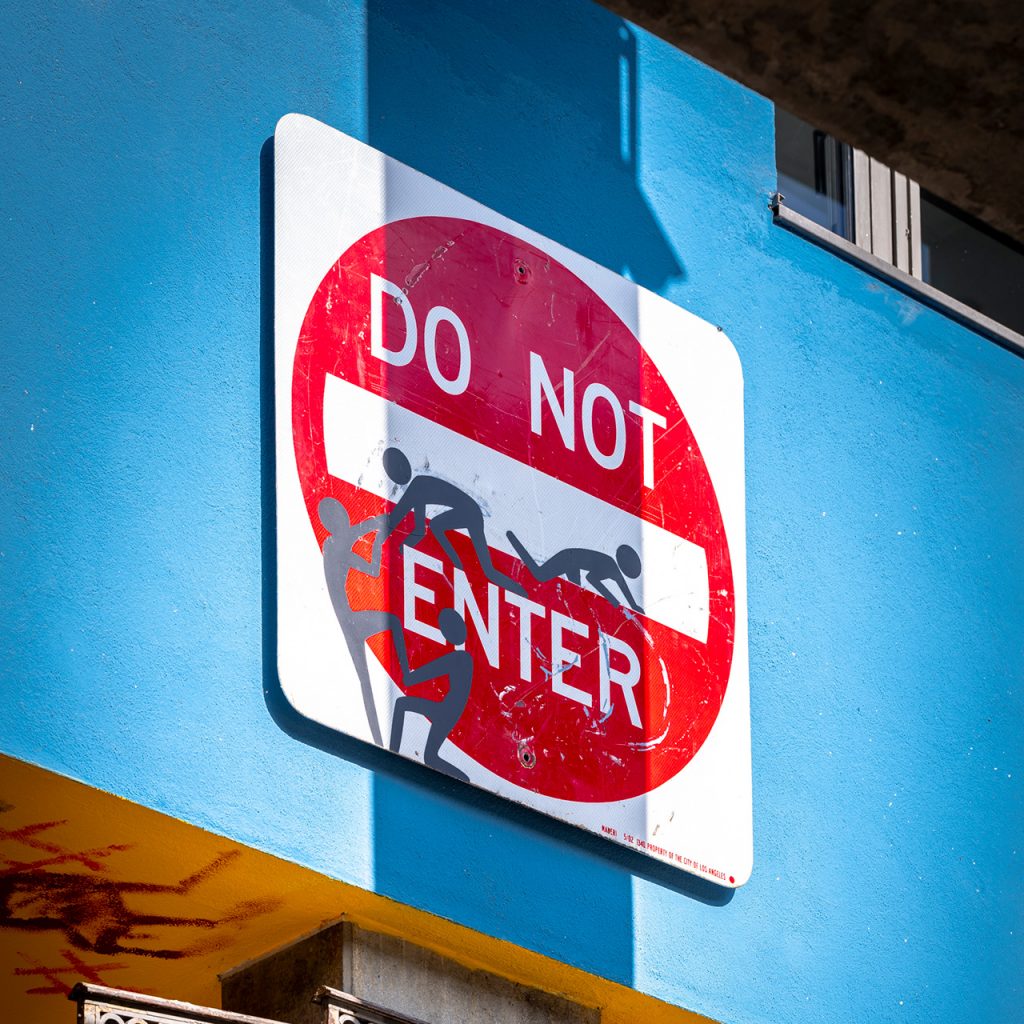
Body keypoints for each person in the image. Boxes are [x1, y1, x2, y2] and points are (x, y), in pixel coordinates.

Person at [319, 497, 409, 747]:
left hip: (349, 619)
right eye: (337, 514)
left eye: (342, 511)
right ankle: (408, 675)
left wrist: (376, 534)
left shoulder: (339, 546)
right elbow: (357, 537)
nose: (344, 517)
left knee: (366, 682)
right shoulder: (333, 545)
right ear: (330, 522)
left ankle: (379, 741)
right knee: (366, 677)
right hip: (348, 621)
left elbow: (371, 570)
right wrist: (376, 529)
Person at [382, 446, 525, 596]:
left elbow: (394, 520)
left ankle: (521, 593)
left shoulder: (417, 486)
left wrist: (391, 549)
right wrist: (401, 550)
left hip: (471, 513)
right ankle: (458, 567)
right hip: (471, 511)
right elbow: (419, 531)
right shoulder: (418, 484)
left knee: (488, 571)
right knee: (436, 525)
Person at [389, 608, 473, 783]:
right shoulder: (464, 658)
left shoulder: (459, 658)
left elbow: (412, 679)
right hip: (449, 709)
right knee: (430, 757)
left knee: (402, 704)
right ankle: (465, 779)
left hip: (446, 711)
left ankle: (391, 755)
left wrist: (405, 665)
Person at [505, 531, 644, 614]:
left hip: (574, 563)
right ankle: (512, 538)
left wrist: (634, 606)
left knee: (575, 600)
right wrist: (613, 601)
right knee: (540, 575)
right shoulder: (610, 566)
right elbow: (591, 579)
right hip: (568, 558)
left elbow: (624, 587)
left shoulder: (613, 569)